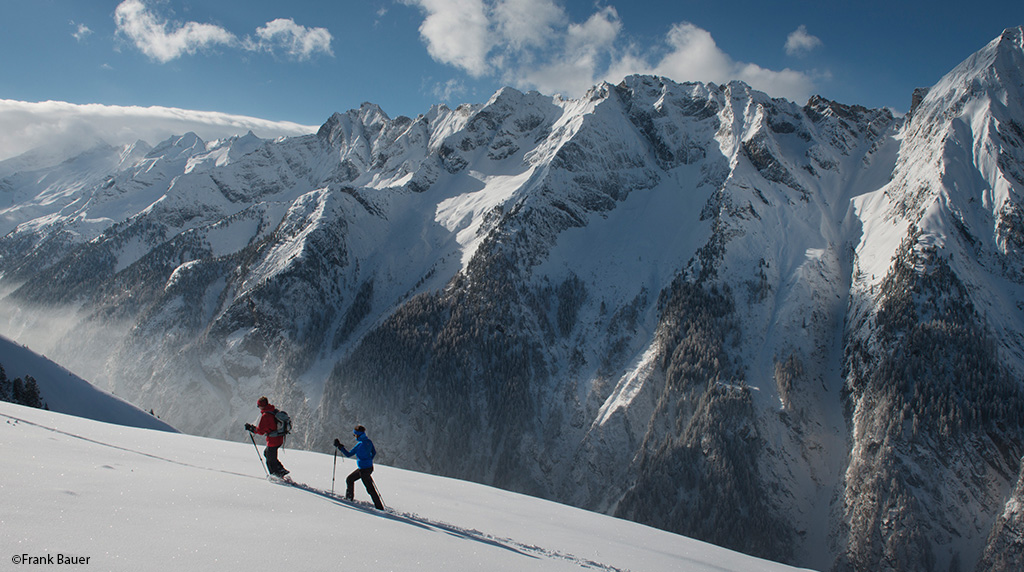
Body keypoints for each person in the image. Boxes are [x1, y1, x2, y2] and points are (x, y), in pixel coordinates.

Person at [334, 425, 384, 509]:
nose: (354, 436)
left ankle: (379, 507)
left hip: (363, 470)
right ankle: (378, 506)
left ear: (358, 434)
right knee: (352, 480)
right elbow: (374, 452)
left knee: (368, 488)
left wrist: (340, 446)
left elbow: (348, 454)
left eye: (354, 435)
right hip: (368, 468)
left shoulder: (360, 445)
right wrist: (368, 460)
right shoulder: (369, 442)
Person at [245, 396, 289, 478]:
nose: (259, 408)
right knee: (267, 454)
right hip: (279, 439)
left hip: (273, 440)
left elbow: (261, 431)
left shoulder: (266, 415)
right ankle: (280, 469)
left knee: (270, 460)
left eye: (258, 406)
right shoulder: (273, 411)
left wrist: (252, 429)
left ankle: (275, 476)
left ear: (261, 406)